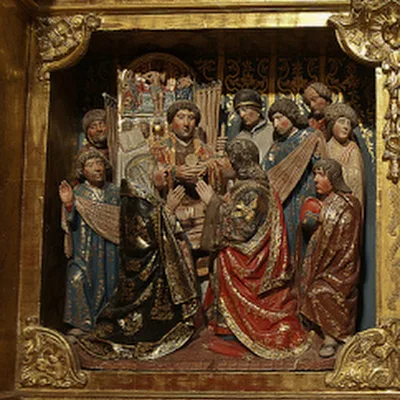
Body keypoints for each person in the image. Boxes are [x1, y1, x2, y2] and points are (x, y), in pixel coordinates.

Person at [78, 152, 200, 360]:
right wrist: (169, 209)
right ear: (144, 174)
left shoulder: (146, 199)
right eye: (158, 169)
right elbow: (143, 239)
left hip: (154, 266)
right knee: (141, 311)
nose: (165, 172)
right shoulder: (137, 202)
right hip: (145, 268)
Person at [196, 138, 310, 359]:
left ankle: (238, 331)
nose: (222, 163)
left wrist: (213, 202)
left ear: (238, 162)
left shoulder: (252, 190)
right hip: (244, 252)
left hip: (248, 258)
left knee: (225, 254)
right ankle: (228, 329)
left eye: (226, 158)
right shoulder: (245, 187)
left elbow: (240, 228)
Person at [150, 100, 229, 278]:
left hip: (200, 212)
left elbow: (222, 175)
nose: (186, 123)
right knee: (177, 263)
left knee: (203, 261)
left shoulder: (205, 151)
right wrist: (174, 172)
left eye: (191, 118)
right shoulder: (158, 150)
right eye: (181, 117)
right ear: (171, 122)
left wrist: (208, 168)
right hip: (173, 211)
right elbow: (151, 177)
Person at [296, 158, 362, 358]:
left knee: (320, 291)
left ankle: (334, 337)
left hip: (341, 266)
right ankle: (325, 335)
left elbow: (346, 237)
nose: (316, 180)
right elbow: (315, 233)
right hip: (322, 264)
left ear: (333, 178)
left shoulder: (349, 203)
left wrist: (323, 219)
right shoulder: (321, 203)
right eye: (315, 175)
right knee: (311, 288)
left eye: (321, 175)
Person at [59, 148, 120, 338]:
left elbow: (121, 220)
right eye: (91, 165)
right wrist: (69, 204)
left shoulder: (114, 192)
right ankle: (82, 323)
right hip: (85, 250)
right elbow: (69, 222)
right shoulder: (78, 192)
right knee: (77, 278)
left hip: (110, 248)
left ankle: (108, 321)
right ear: (83, 171)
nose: (97, 169)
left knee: (111, 283)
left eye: (100, 164)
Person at [262, 98, 327, 257]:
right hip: (282, 199)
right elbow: (266, 171)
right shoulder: (277, 145)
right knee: (285, 239)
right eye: (273, 120)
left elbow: (322, 167)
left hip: (304, 193)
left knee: (304, 239)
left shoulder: (310, 137)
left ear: (291, 116)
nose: (275, 124)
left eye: (279, 118)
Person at [325, 103, 365, 209]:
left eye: (349, 124)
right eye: (341, 122)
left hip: (347, 204)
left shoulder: (352, 150)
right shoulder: (325, 148)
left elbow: (357, 182)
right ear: (332, 124)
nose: (346, 127)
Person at [224, 89, 273, 162]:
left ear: (257, 110)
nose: (242, 115)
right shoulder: (238, 139)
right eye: (238, 112)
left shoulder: (272, 133)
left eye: (244, 110)